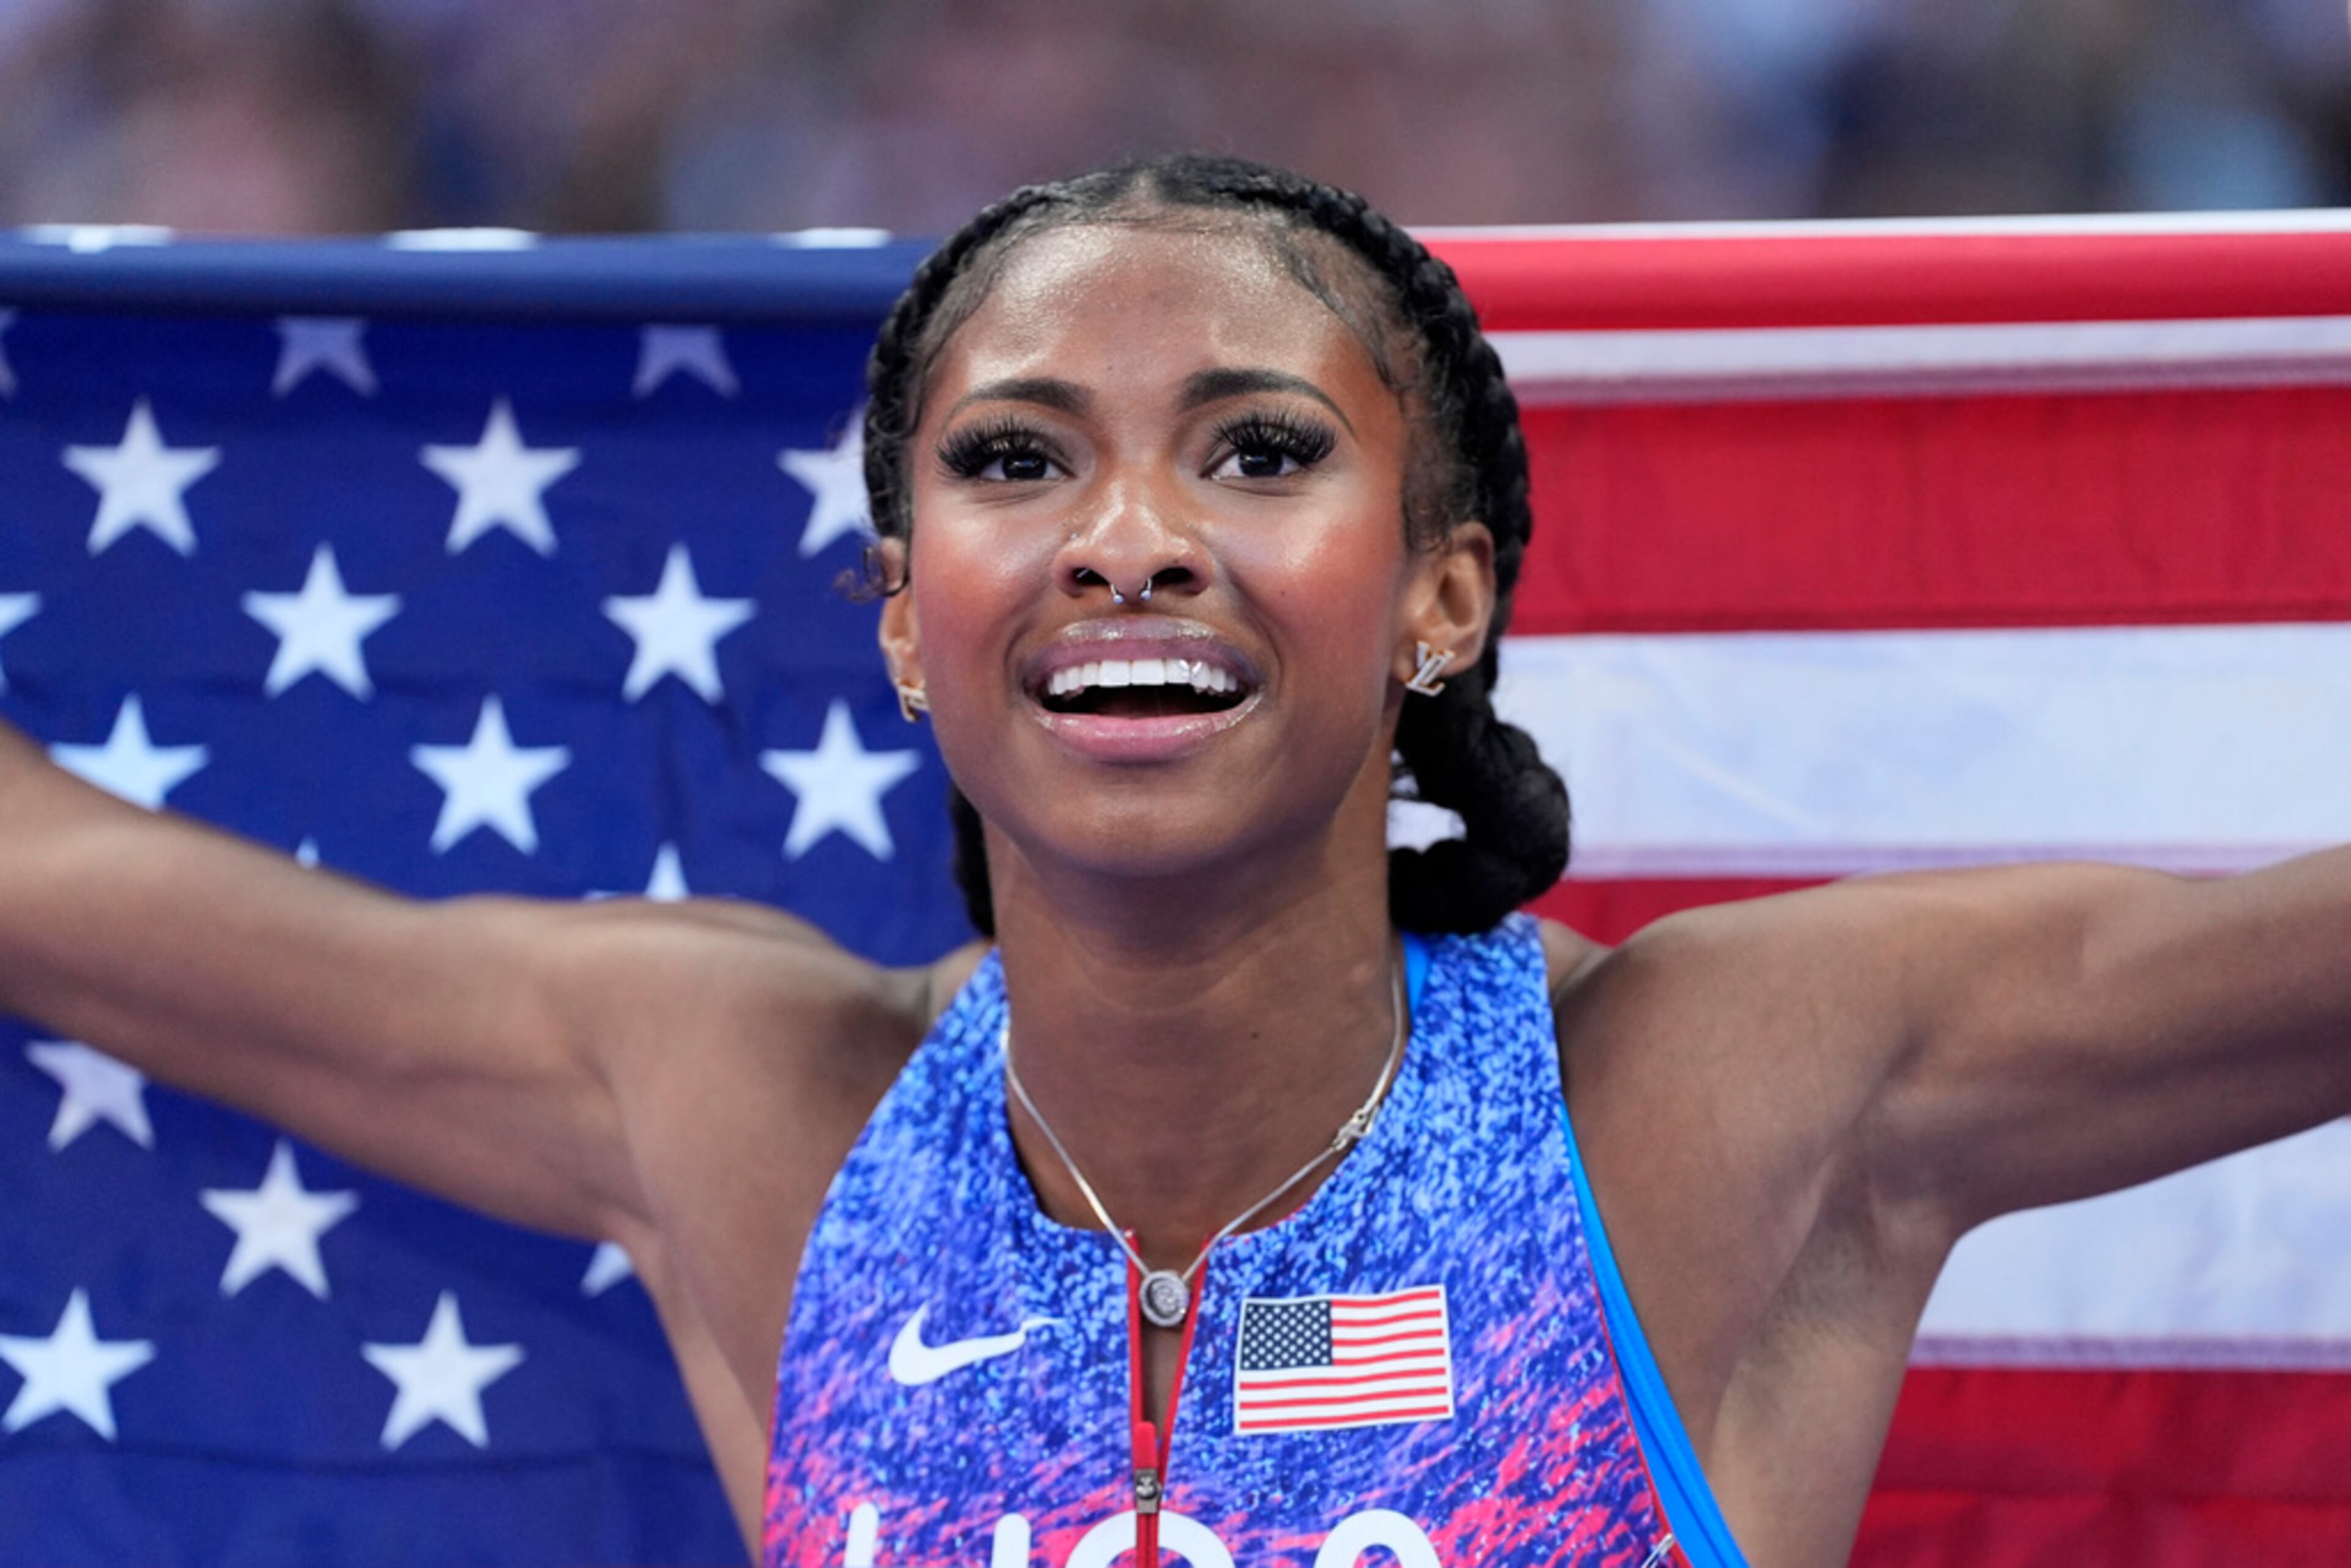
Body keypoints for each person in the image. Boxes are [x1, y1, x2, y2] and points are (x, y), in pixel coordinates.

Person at [2, 152, 2347, 1568]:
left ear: (1443, 593)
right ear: (910, 618)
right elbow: (63, 887)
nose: (1130, 540)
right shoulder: (746, 1107)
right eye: (1020, 459)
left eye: (1253, 452)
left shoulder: (1724, 1091)